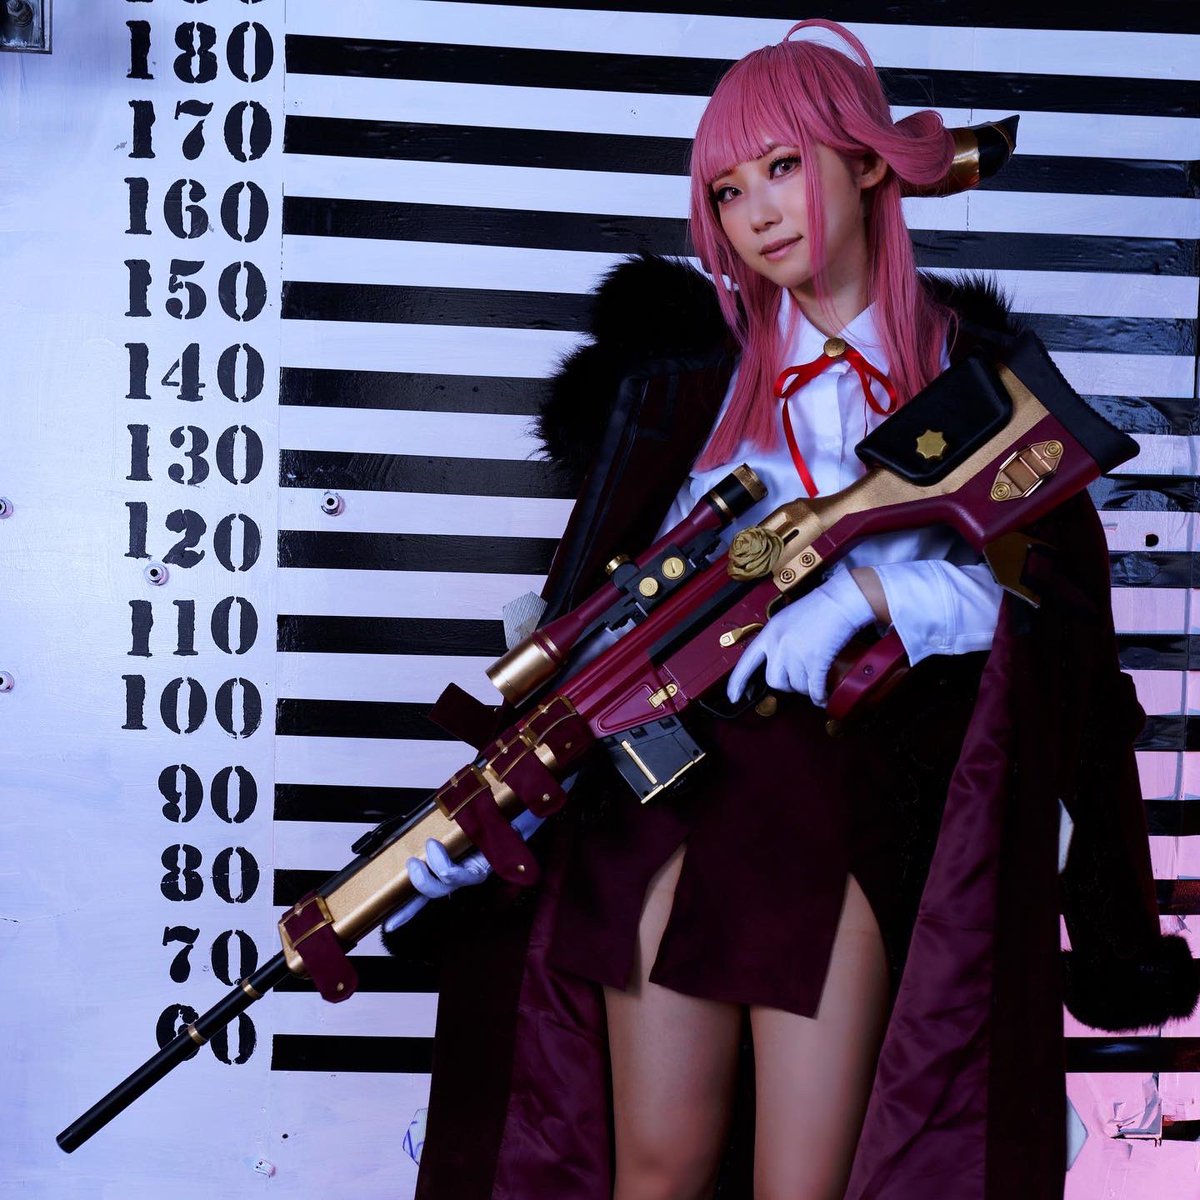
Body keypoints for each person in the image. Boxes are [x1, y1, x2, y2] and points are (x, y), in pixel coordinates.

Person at [387, 19, 1197, 1200]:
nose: (759, 213)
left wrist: (876, 589)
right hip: (660, 811)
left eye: (784, 166)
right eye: (729, 189)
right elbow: (603, 633)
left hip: (836, 817)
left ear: (868, 162)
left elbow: (1049, 615)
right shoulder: (685, 396)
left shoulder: (975, 383)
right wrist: (492, 824)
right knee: (654, 1174)